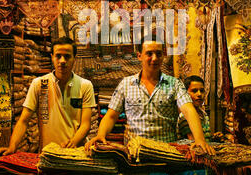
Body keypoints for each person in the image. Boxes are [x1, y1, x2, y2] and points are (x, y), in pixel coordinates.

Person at [85, 38, 215, 155]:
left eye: (158, 54)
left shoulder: (175, 84)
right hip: (135, 152)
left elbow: (188, 110)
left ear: (163, 56)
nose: (154, 58)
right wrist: (101, 135)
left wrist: (200, 140)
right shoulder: (126, 84)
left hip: (167, 152)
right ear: (139, 56)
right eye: (149, 54)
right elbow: (111, 116)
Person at [0, 36, 96, 158]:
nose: (62, 61)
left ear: (74, 58)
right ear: (52, 57)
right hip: (46, 155)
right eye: (58, 56)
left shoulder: (85, 85)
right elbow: (24, 120)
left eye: (67, 56)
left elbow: (85, 124)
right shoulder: (39, 84)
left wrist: (73, 142)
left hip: (76, 155)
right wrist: (12, 146)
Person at [177, 75, 211, 141]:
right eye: (194, 91)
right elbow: (195, 141)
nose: (199, 94)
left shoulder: (204, 114)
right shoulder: (185, 116)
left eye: (202, 91)